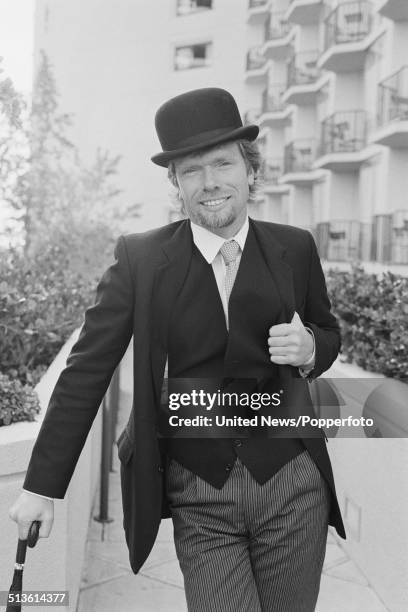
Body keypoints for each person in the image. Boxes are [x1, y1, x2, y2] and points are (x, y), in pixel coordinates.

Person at [9, 87, 346, 612]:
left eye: (222, 163)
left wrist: (308, 349)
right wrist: (42, 486)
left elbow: (328, 334)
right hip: (199, 492)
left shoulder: (295, 247)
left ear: (250, 170)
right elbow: (85, 372)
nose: (209, 182)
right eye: (191, 170)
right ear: (175, 183)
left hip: (292, 485)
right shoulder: (140, 259)